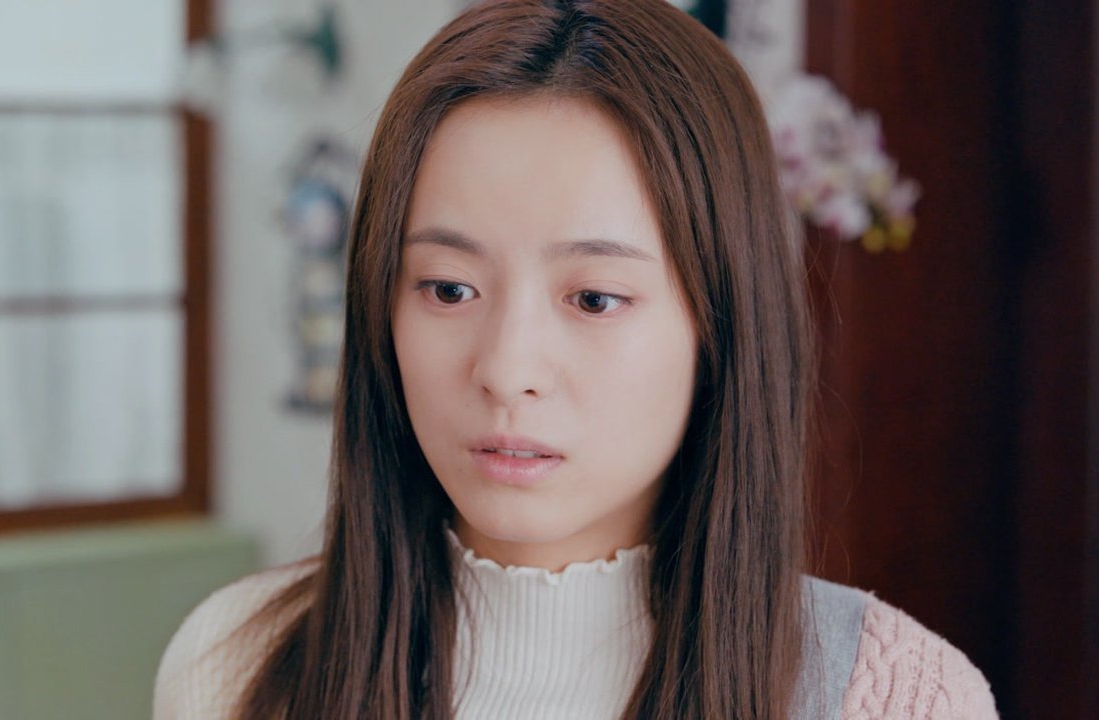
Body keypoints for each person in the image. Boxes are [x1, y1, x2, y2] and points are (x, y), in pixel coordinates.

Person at [152, 1, 999, 718]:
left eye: (593, 298)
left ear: (722, 323)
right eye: (448, 288)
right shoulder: (233, 664)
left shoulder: (898, 698)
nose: (506, 369)